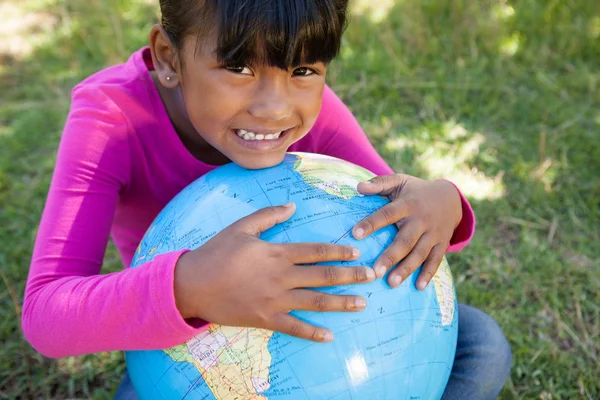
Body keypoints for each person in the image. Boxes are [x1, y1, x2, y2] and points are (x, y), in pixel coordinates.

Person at [22, 0, 512, 399]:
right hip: (196, 357)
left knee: (481, 346)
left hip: (331, 339)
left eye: (302, 69)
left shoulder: (316, 114)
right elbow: (46, 315)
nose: (274, 107)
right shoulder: (110, 119)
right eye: (238, 66)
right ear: (169, 58)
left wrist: (441, 203)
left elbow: (391, 217)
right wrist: (187, 288)